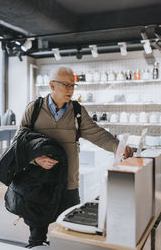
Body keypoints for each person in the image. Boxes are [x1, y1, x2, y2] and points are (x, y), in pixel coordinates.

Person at [18, 66, 133, 248]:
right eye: (66, 85)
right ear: (52, 86)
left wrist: (118, 147)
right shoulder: (34, 110)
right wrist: (36, 159)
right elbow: (18, 144)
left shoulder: (77, 112)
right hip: (39, 184)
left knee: (70, 236)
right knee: (37, 237)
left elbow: (97, 134)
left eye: (73, 85)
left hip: (69, 185)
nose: (71, 90)